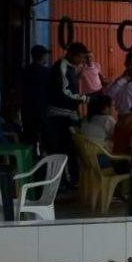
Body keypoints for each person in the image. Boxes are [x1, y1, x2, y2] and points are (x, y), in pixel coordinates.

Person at [45, 42, 90, 183]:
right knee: (62, 150)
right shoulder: (62, 67)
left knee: (70, 149)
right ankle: (63, 182)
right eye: (80, 57)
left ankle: (71, 181)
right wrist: (82, 98)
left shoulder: (71, 68)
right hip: (59, 117)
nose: (82, 61)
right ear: (71, 54)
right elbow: (63, 93)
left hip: (68, 115)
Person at [20, 44, 52, 148]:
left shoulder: (25, 70)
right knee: (45, 136)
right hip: (42, 108)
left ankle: (30, 158)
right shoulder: (46, 72)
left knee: (29, 137)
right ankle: (44, 157)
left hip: (27, 108)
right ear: (43, 56)